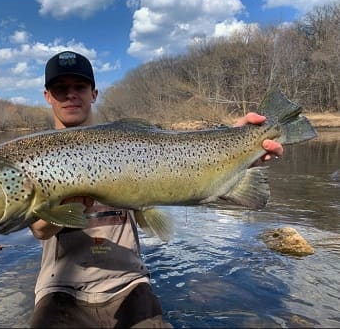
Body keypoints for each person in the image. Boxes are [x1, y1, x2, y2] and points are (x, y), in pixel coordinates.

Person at [29, 51, 283, 328]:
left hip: (128, 283)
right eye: (60, 88)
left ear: (94, 93)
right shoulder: (34, 156)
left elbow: (185, 183)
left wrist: (238, 143)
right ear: (47, 96)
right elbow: (40, 229)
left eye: (79, 86)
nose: (70, 95)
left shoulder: (124, 142)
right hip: (61, 288)